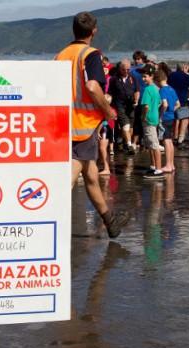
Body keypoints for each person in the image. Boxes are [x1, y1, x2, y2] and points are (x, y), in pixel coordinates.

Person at [55, 11, 130, 238]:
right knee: (72, 173)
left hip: (62, 122)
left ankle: (110, 221)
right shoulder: (90, 54)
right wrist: (108, 111)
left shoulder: (62, 55)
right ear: (94, 31)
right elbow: (92, 87)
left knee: (91, 175)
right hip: (83, 124)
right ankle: (45, 216)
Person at [108, 59, 139, 154]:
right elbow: (110, 93)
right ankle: (129, 145)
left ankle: (126, 144)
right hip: (119, 105)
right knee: (125, 125)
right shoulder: (114, 79)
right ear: (120, 69)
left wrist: (136, 100)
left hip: (131, 105)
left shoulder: (133, 78)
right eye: (124, 69)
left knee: (130, 126)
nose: (126, 71)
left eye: (128, 69)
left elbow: (137, 90)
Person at [139, 65, 163, 179]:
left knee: (154, 144)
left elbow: (146, 106)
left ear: (151, 76)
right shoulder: (155, 88)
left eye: (145, 77)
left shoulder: (147, 89)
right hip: (154, 117)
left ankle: (158, 169)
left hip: (148, 119)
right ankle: (153, 166)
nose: (143, 79)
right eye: (142, 77)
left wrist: (143, 116)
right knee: (151, 143)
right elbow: (159, 103)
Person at [168, 63, 189, 148]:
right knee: (185, 119)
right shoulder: (185, 76)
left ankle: (171, 138)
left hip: (172, 100)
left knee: (173, 120)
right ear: (184, 68)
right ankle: (180, 139)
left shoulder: (171, 75)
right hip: (182, 100)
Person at [157, 70, 179, 173]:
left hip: (165, 117)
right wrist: (172, 111)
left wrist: (161, 115)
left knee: (166, 140)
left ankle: (168, 165)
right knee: (170, 141)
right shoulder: (172, 89)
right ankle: (172, 164)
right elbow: (178, 104)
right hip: (172, 117)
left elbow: (164, 104)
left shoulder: (162, 90)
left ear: (157, 81)